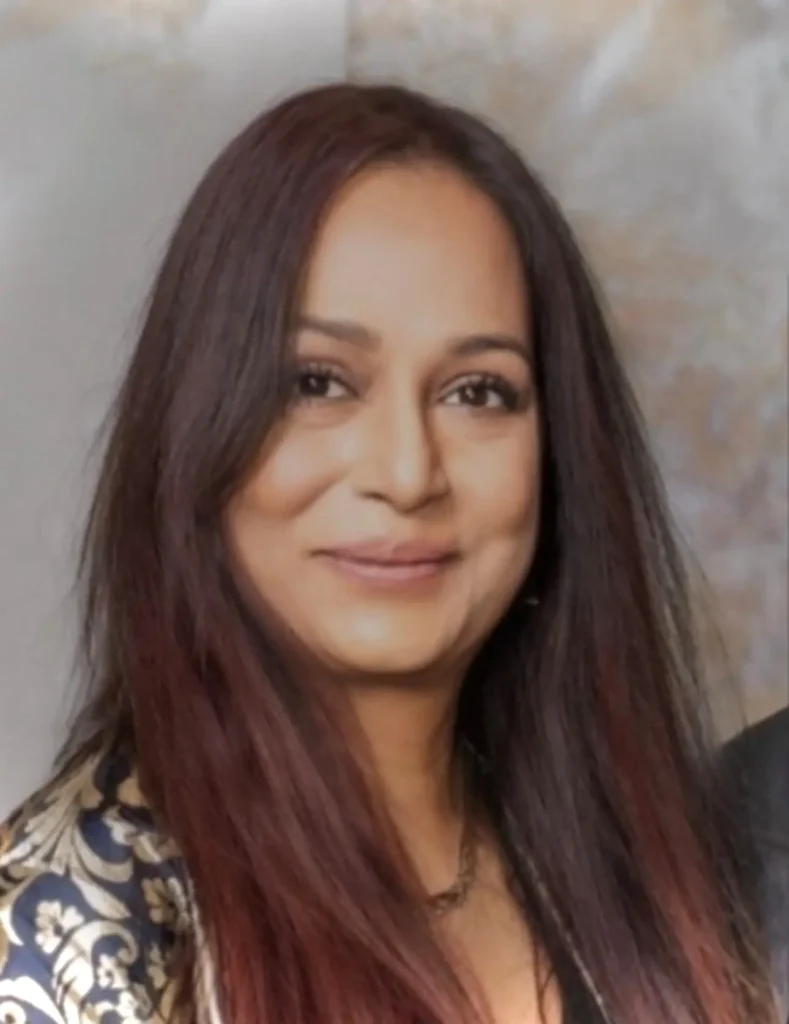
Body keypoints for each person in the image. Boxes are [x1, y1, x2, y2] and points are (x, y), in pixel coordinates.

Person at [0, 82, 782, 1024]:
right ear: (195, 429)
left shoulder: (648, 863)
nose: (407, 474)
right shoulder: (58, 942)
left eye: (477, 392)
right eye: (319, 382)